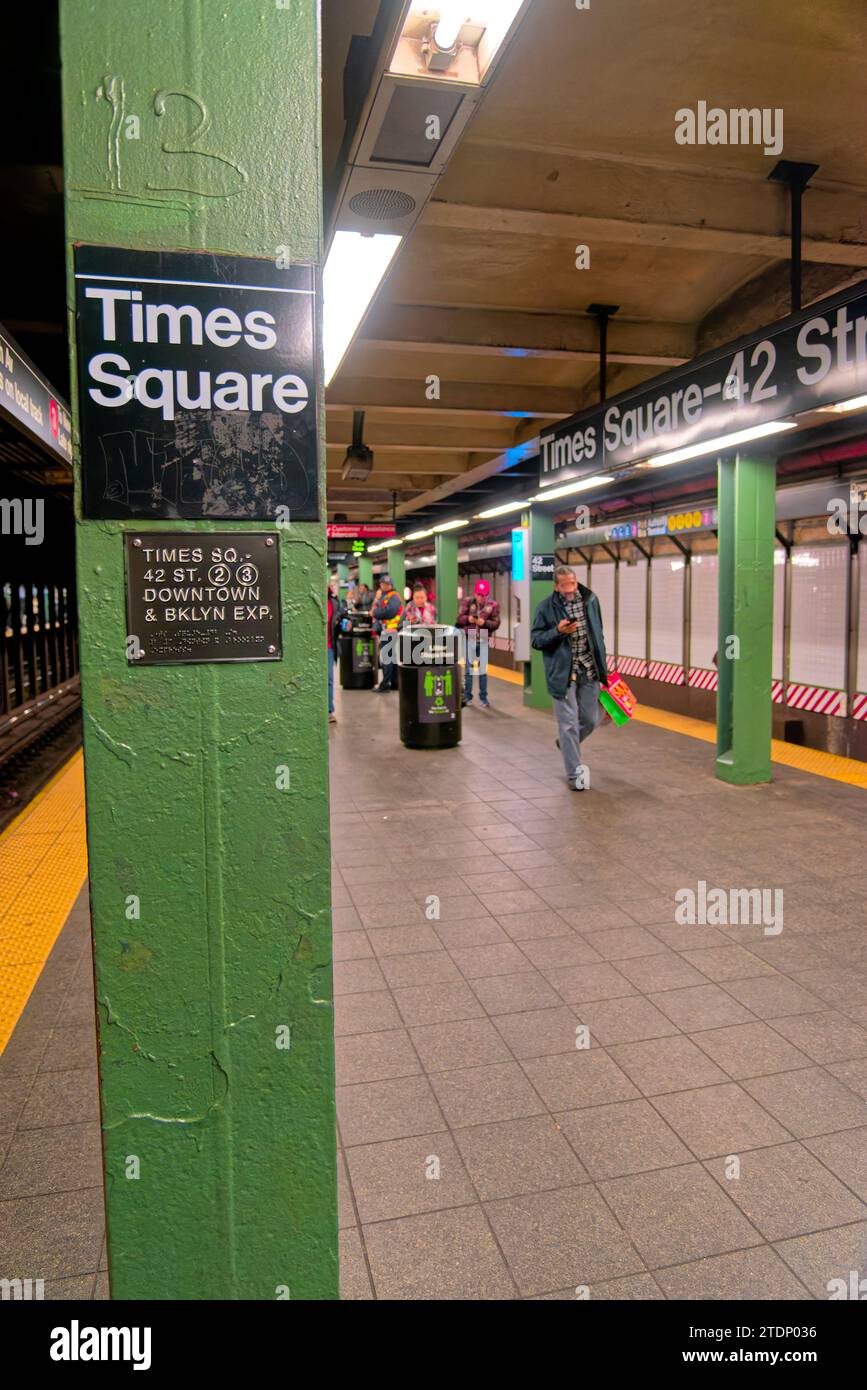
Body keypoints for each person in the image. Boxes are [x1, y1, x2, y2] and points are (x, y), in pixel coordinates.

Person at [531, 564, 608, 790]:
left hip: (589, 670)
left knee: (591, 720)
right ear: (556, 586)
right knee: (568, 725)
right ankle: (576, 777)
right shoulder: (546, 607)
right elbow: (536, 640)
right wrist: (558, 632)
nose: (569, 588)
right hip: (563, 674)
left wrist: (604, 667)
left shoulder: (590, 601)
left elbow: (598, 635)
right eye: (564, 585)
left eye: (572, 583)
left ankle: (565, 744)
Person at [457, 579, 500, 708]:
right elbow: (459, 618)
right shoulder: (467, 602)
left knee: (482, 671)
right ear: (475, 593)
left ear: (487, 594)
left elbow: (496, 623)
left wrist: (485, 623)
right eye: (479, 594)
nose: (480, 597)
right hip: (469, 636)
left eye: (483, 595)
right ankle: (467, 696)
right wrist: (468, 619)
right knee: (468, 670)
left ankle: (483, 697)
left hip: (483, 637)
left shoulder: (493, 605)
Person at [371, 574, 404, 691]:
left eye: (387, 584)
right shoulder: (385, 596)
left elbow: (390, 612)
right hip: (388, 631)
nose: (384, 586)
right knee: (392, 659)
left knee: (387, 659)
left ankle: (385, 685)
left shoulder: (393, 596)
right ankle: (394, 683)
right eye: (383, 584)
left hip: (391, 631)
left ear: (391, 585)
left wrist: (375, 612)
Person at [326, 583, 342, 723]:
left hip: (329, 646)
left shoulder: (333, 602)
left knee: (329, 679)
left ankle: (329, 710)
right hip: (315, 648)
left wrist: (344, 622)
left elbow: (341, 615)